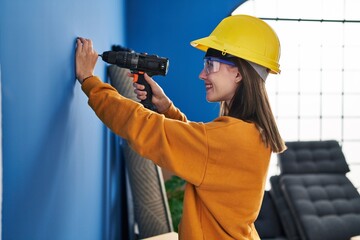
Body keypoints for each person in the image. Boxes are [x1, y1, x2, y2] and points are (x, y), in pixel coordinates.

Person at [75, 14, 286, 240]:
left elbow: (143, 127)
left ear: (238, 72)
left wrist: (90, 81)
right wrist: (167, 108)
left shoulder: (229, 138)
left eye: (210, 65)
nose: (202, 74)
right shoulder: (252, 132)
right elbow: (203, 153)